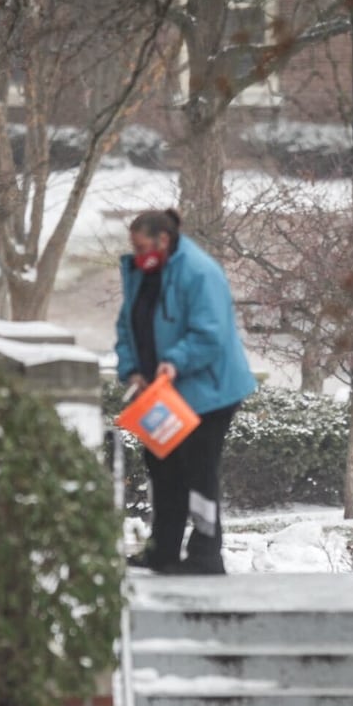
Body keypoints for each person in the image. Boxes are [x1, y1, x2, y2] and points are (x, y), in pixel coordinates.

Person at [115, 209, 257, 575]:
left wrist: (174, 361)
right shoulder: (142, 272)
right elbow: (127, 324)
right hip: (162, 392)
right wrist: (131, 368)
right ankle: (162, 550)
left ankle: (206, 555)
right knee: (162, 466)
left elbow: (210, 333)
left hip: (209, 391)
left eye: (141, 245)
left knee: (198, 470)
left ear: (163, 240)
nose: (137, 252)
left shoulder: (199, 272)